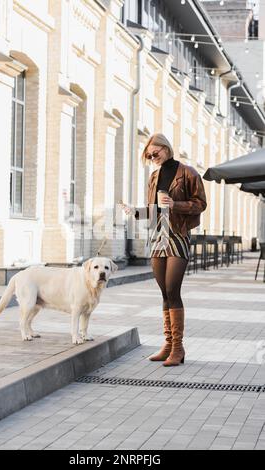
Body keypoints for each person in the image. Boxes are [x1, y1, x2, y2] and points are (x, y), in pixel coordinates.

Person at [120, 133, 207, 366]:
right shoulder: (154, 176)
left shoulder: (188, 173)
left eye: (154, 152)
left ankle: (178, 348)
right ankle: (167, 345)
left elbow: (201, 204)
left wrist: (175, 204)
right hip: (158, 236)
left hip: (178, 235)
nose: (152, 156)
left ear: (165, 148)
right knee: (164, 293)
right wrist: (135, 211)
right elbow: (153, 210)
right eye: (149, 155)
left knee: (172, 289)